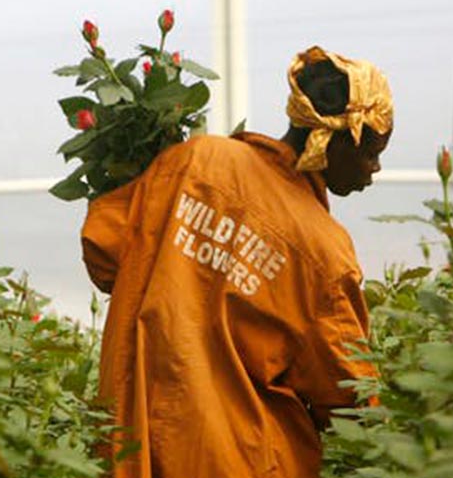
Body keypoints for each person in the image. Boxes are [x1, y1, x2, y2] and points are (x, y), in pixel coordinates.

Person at [80, 46, 393, 478]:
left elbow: (103, 250)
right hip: (239, 458)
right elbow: (348, 395)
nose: (374, 169)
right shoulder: (324, 251)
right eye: (372, 151)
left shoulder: (195, 160)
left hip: (136, 438)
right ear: (334, 141)